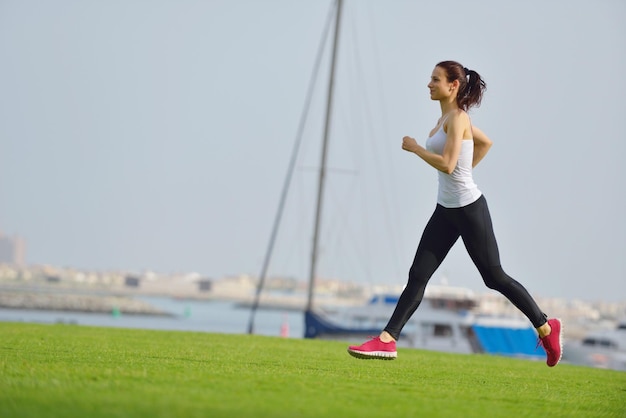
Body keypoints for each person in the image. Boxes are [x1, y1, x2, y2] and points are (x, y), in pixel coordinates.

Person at [347, 60, 562, 367]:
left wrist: (418, 150)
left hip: (469, 208)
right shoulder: (445, 119)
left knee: (494, 277)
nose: (429, 84)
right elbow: (483, 144)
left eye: (435, 79)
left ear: (453, 85)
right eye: (430, 79)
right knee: (418, 275)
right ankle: (387, 340)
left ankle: (545, 327)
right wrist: (463, 169)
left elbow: (448, 165)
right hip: (446, 209)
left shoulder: (458, 118)